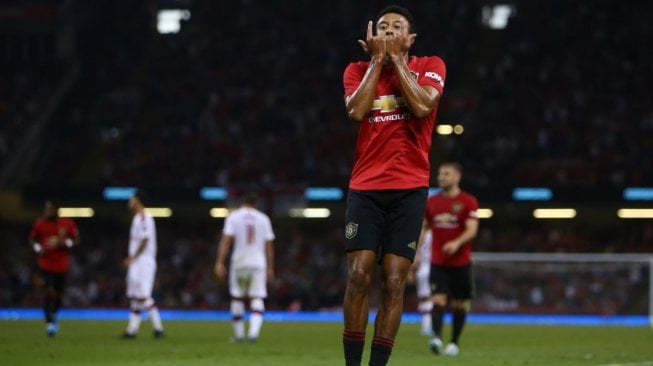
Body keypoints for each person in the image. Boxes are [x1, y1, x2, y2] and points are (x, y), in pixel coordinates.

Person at [341, 5, 446, 365]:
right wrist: (376, 63)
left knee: (395, 281)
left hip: (410, 188)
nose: (387, 32)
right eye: (382, 27)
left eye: (396, 27)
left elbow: (421, 107)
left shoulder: (431, 64)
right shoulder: (356, 69)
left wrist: (398, 61)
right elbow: (356, 112)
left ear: (410, 38)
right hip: (365, 186)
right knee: (358, 276)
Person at [423, 162, 479, 356]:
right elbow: (424, 227)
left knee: (458, 304)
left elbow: (472, 229)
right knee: (438, 300)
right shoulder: (432, 202)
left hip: (461, 263)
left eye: (446, 174)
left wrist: (456, 243)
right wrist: (413, 252)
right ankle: (437, 339)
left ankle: (454, 342)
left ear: (457, 177)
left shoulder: (468, 201)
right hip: (438, 262)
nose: (441, 177)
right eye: (440, 173)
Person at [214, 193, 275, 343]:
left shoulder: (233, 217)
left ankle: (239, 335)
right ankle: (253, 334)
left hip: (239, 261)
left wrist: (219, 262)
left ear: (242, 202)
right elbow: (269, 246)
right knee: (257, 297)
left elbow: (226, 241)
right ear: (255, 203)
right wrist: (270, 267)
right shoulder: (263, 218)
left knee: (237, 297)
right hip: (258, 262)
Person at [29, 200, 80, 337]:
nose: (47, 212)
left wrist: (64, 243)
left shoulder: (67, 223)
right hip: (45, 264)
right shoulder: (40, 223)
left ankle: (53, 315)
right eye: (46, 209)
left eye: (50, 209)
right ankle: (49, 322)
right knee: (48, 291)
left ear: (57, 210)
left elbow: (75, 240)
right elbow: (33, 239)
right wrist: (38, 248)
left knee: (58, 296)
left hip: (61, 265)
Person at [121, 189, 165, 339]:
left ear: (138, 200)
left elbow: (145, 240)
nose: (130, 201)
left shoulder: (145, 217)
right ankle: (132, 330)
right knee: (134, 296)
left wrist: (132, 257)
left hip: (144, 262)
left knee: (143, 296)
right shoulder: (136, 219)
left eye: (131, 198)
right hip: (137, 262)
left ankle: (158, 328)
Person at [413, 228, 433, 336]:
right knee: (429, 298)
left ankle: (427, 326)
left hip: (423, 269)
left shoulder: (423, 232)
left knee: (424, 298)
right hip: (432, 267)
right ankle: (428, 326)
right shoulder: (433, 232)